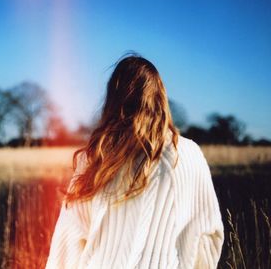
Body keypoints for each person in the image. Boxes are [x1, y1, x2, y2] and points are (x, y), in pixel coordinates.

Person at [45, 53, 224, 269]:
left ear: (113, 100)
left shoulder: (97, 156)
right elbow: (208, 235)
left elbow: (68, 242)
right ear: (160, 98)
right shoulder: (189, 154)